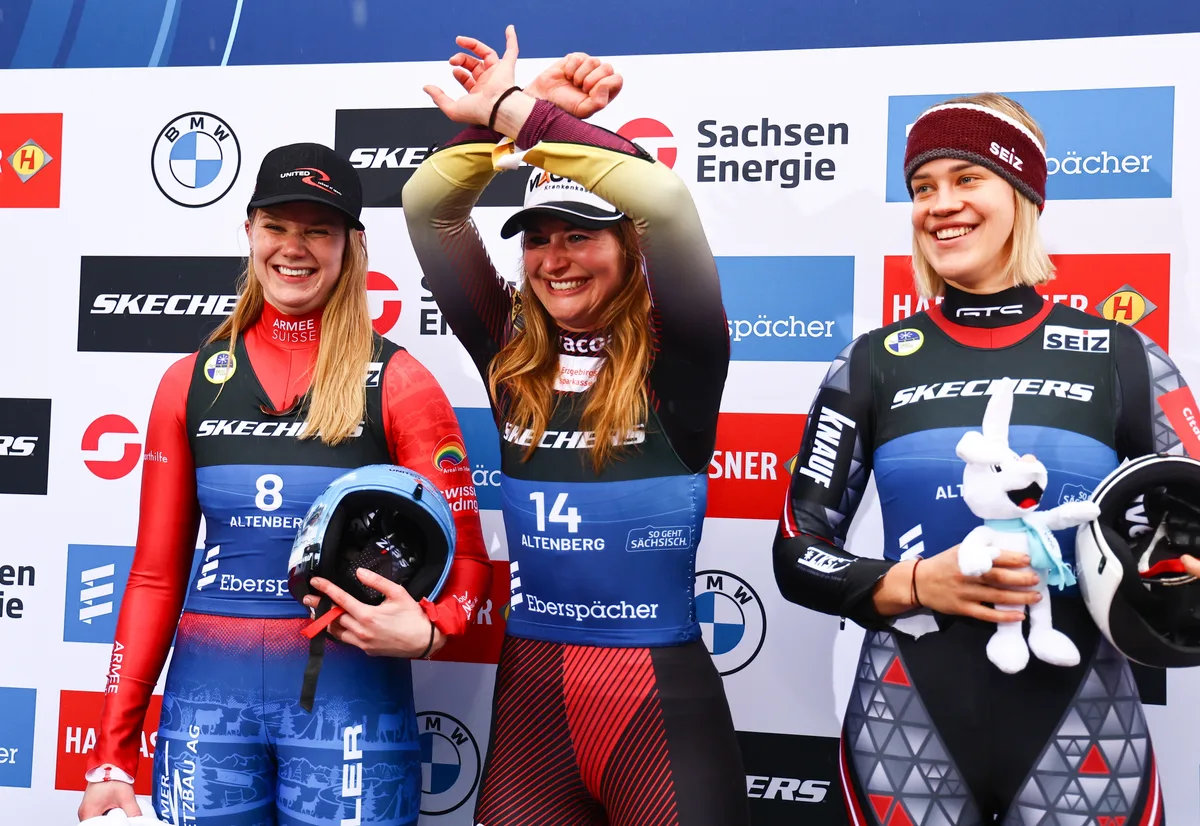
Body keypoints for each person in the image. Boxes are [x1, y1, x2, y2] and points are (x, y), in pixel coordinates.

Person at [773, 93, 1191, 825]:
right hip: (902, 725)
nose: (941, 205)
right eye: (922, 187)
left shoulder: (1125, 359)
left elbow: (1192, 525)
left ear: (1023, 195)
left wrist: (1177, 583)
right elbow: (796, 550)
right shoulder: (871, 363)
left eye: (968, 178)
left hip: (1086, 726)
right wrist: (912, 583)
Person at [392, 26, 749, 826]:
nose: (556, 259)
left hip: (658, 707)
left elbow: (660, 199)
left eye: (580, 236)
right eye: (539, 240)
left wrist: (523, 113)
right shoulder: (508, 353)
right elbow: (428, 206)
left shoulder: (680, 358)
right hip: (532, 708)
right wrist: (509, 125)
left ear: (627, 251)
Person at [77, 143, 492, 825]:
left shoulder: (400, 382)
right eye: (276, 226)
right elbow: (154, 577)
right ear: (249, 233)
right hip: (207, 707)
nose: (293, 248)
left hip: (351, 702)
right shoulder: (189, 382)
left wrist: (433, 628)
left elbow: (468, 559)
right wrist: (113, 752)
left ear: (351, 245)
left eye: (317, 230)